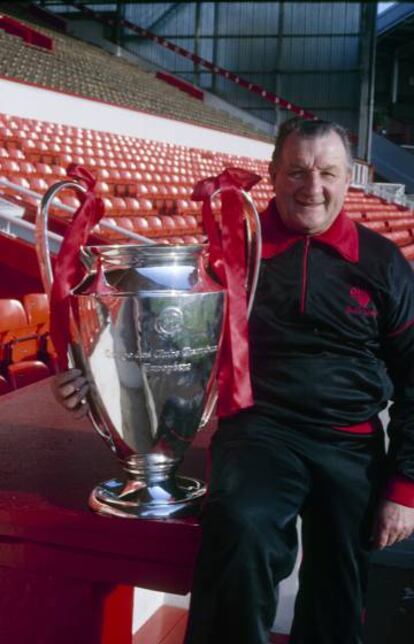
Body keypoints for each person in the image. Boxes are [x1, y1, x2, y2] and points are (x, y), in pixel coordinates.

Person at [53, 118, 414, 644]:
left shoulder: (382, 263)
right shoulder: (229, 256)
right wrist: (86, 371)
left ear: (348, 178)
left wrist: (404, 488)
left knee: (343, 582)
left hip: (352, 440)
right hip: (259, 431)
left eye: (328, 173)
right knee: (240, 531)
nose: (313, 186)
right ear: (272, 173)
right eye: (298, 171)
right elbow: (160, 344)